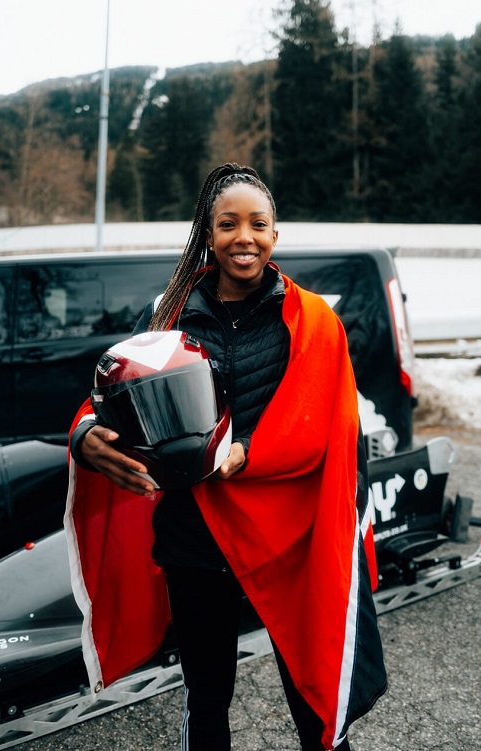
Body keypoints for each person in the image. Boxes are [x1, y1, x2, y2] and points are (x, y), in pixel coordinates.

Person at [65, 163, 387, 751]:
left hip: (288, 540)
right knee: (207, 695)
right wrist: (85, 435)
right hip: (196, 537)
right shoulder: (168, 311)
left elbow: (332, 430)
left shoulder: (315, 322)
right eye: (228, 223)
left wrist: (245, 453)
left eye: (258, 224)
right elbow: (113, 394)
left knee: (311, 689)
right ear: (207, 234)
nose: (245, 237)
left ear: (275, 234)